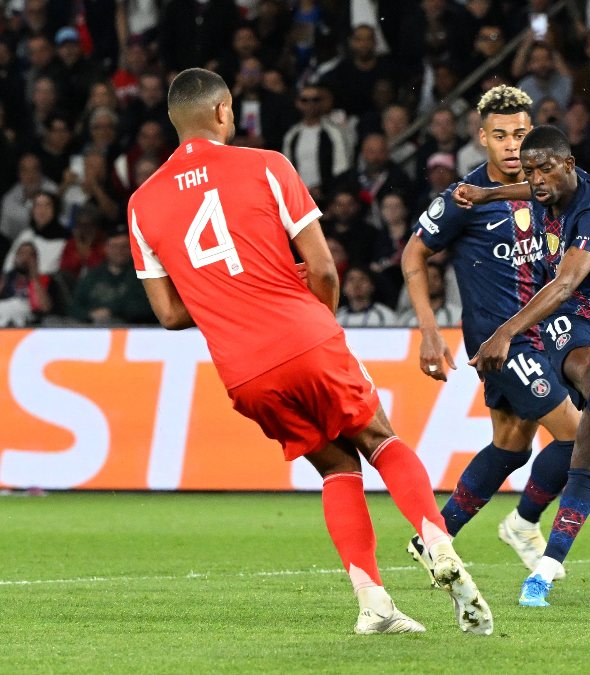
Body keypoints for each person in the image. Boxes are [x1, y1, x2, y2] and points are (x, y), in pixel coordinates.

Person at [126, 68, 492, 636]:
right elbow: (322, 267)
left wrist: (229, 296)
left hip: (243, 372)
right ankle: (438, 542)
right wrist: (310, 318)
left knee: (335, 466)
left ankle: (373, 604)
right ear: (224, 112)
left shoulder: (141, 204)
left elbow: (171, 315)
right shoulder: (268, 165)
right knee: (380, 438)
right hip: (304, 336)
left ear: (174, 122)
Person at [453, 125, 590, 607]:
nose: (536, 180)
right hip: (575, 316)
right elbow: (528, 188)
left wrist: (505, 332)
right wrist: (488, 194)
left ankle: (545, 572)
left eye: (545, 167)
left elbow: (566, 281)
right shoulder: (545, 183)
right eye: (530, 171)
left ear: (570, 165)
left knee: (589, 451)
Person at [401, 86, 585, 581]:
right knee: (579, 434)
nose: (510, 145)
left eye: (520, 135)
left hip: (547, 334)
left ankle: (434, 537)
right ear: (482, 138)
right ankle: (524, 523)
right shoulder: (465, 198)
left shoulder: (549, 189)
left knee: (510, 445)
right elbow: (413, 254)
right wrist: (429, 330)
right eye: (500, 135)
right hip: (501, 344)